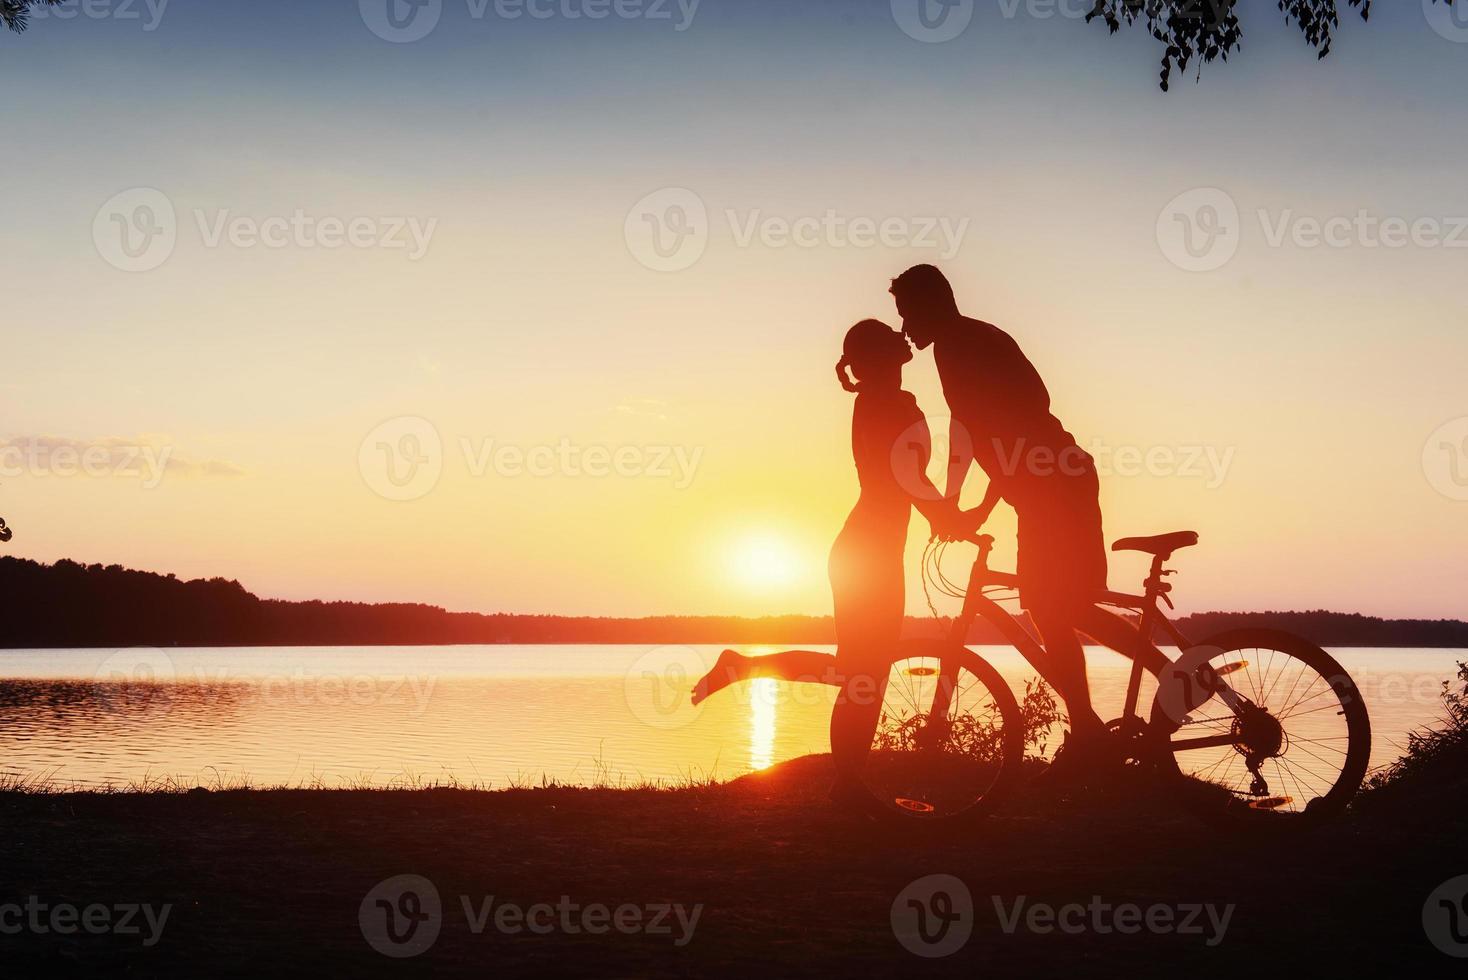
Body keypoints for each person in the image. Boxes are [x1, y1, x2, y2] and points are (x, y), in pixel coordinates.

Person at [691, 319, 973, 792]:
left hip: (873, 548)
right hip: (868, 552)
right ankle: (850, 782)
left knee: (860, 674)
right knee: (864, 675)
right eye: (890, 354)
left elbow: (908, 479)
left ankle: (846, 775)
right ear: (881, 362)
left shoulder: (886, 403)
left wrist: (945, 515)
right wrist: (946, 518)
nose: (901, 359)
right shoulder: (883, 405)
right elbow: (902, 477)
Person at [889, 264, 1137, 778]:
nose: (906, 329)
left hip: (1054, 486)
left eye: (908, 314)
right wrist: (972, 506)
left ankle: (1141, 697)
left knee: (1053, 606)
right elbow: (990, 432)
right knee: (1056, 608)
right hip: (1048, 486)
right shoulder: (965, 341)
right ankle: (1093, 729)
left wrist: (965, 508)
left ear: (932, 304)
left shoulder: (959, 347)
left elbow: (997, 428)